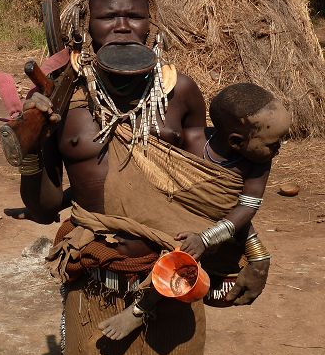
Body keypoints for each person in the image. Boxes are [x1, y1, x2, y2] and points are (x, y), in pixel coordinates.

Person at [20, 0, 271, 355]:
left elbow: (210, 192)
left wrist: (256, 254)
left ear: (150, 25)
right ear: (86, 26)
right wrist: (30, 148)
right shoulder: (62, 99)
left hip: (172, 278)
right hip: (95, 280)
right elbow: (44, 209)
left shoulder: (180, 93)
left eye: (134, 16)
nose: (122, 27)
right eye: (108, 17)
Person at [99, 82, 290, 341]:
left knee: (183, 256)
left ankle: (139, 309)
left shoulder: (258, 165)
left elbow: (247, 208)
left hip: (215, 230)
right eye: (273, 143)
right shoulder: (191, 141)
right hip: (169, 210)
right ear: (236, 141)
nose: (279, 149)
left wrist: (205, 239)